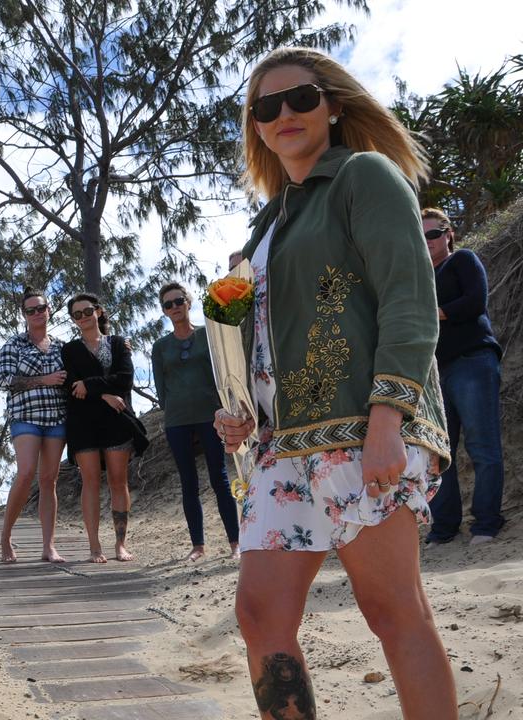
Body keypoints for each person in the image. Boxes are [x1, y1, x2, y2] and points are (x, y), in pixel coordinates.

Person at [215, 47, 456, 718]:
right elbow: (259, 344)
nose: (284, 114)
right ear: (256, 125)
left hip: (360, 429)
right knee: (259, 616)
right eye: (267, 107)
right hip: (280, 449)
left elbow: (408, 298)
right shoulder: (265, 226)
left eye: (300, 99)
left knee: (393, 612)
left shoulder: (365, 176)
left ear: (333, 105)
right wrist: (241, 413)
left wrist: (388, 418)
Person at [421, 207, 505, 545]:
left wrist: (434, 313)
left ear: (447, 234)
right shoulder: (418, 276)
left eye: (433, 233)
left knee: (482, 446)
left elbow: (476, 302)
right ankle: (444, 528)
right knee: (439, 454)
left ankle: (486, 523)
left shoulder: (463, 261)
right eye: (421, 234)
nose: (427, 240)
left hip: (472, 361)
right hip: (435, 372)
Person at [151, 283, 239, 562]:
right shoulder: (160, 346)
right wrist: (174, 409)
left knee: (220, 479)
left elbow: (223, 372)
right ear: (164, 311)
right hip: (177, 419)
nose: (174, 307)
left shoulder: (208, 336)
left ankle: (235, 543)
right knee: (188, 482)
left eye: (178, 301)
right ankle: (198, 546)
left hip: (210, 416)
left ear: (188, 303)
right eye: (168, 304)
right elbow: (161, 388)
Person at [61, 293, 146, 563]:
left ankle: (120, 544)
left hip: (116, 421)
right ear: (73, 320)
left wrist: (93, 386)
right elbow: (73, 387)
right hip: (83, 423)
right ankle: (94, 546)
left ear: (98, 312)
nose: (84, 317)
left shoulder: (119, 343)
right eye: (77, 314)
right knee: (90, 483)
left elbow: (125, 379)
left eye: (87, 311)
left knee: (118, 482)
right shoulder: (70, 350)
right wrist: (105, 394)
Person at [0, 288, 68, 563]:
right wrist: (43, 380)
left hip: (57, 418)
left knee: (49, 480)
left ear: (48, 310)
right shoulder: (14, 345)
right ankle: (5, 537)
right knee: (26, 473)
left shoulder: (62, 346)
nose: (37, 313)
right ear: (24, 315)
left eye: (41, 308)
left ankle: (48, 546)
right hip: (25, 416)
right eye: (31, 310)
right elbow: (5, 380)